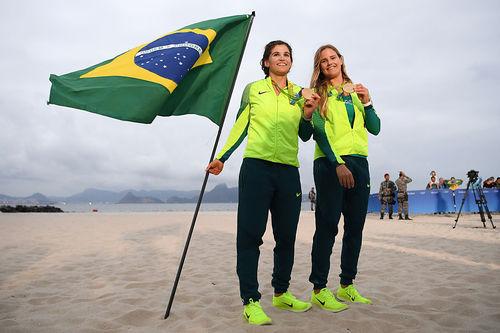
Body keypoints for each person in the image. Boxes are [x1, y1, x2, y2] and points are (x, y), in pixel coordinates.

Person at [206, 40, 319, 325]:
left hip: (288, 171)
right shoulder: (253, 90)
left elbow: (305, 134)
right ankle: (251, 301)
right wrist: (222, 156)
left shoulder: (300, 92)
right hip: (256, 168)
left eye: (286, 54)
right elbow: (241, 125)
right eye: (275, 54)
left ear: (291, 62)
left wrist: (307, 112)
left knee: (287, 237)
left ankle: (281, 293)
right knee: (249, 236)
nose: (282, 58)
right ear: (266, 62)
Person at [306, 44, 380, 313]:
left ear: (341, 60)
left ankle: (347, 285)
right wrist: (337, 163)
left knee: (355, 227)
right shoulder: (318, 94)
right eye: (323, 60)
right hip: (329, 164)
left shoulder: (356, 91)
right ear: (319, 67)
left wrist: (368, 102)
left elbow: (375, 128)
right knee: (327, 227)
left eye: (333, 58)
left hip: (360, 163)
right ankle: (319, 288)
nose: (329, 63)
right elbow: (318, 131)